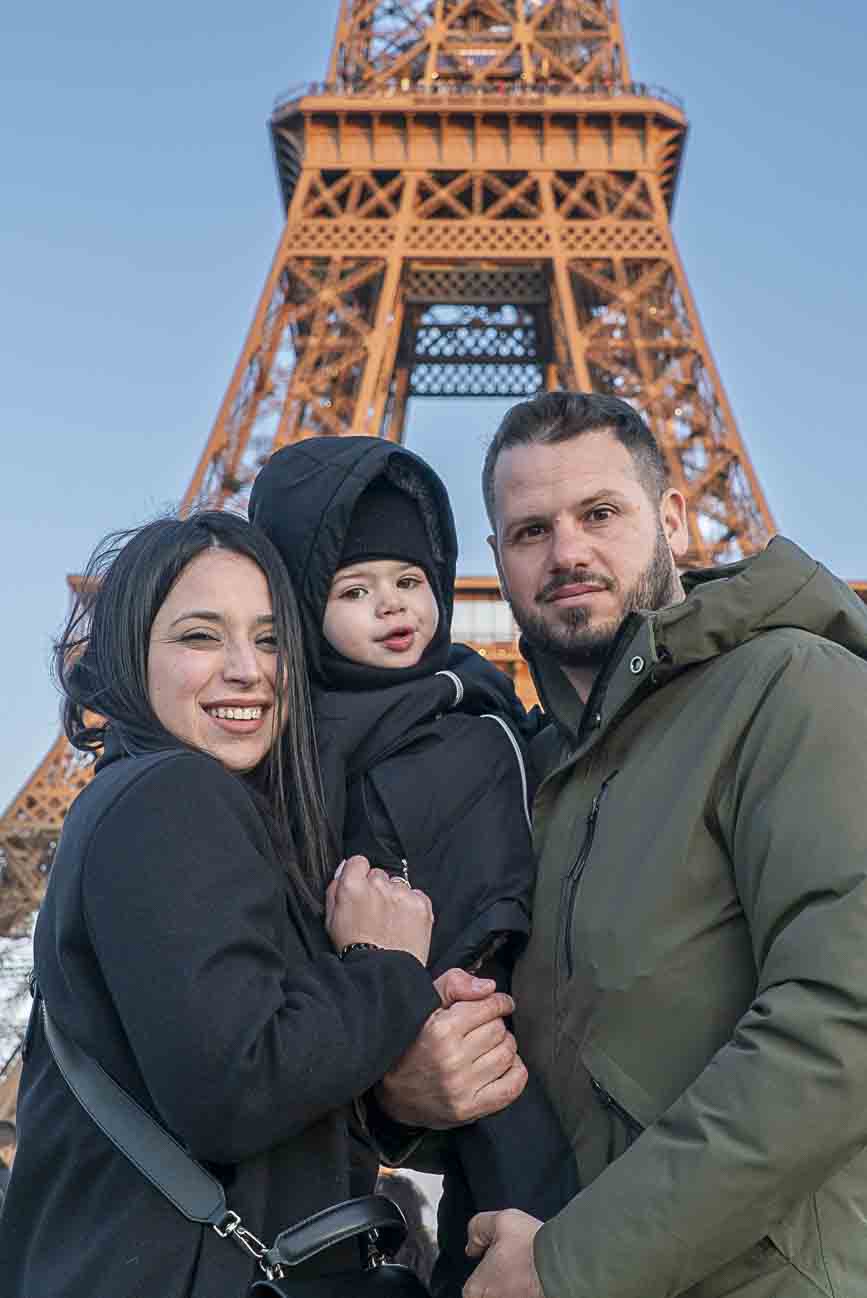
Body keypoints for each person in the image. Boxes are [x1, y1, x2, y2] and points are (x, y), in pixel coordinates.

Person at [380, 391, 867, 1298]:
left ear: (672, 518)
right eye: (529, 532)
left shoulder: (794, 687)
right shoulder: (526, 769)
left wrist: (572, 1262)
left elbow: (843, 1024)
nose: (566, 552)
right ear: (497, 562)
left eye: (599, 513)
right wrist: (409, 1098)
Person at [0, 510, 444, 1298]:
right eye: (201, 637)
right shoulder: (175, 791)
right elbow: (239, 1087)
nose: (248, 669)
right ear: (132, 656)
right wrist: (383, 965)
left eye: (270, 640)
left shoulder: (128, 801)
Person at [249, 437, 577, 1294]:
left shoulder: (480, 693)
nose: (391, 607)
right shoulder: (295, 743)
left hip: (523, 986)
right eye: (353, 592)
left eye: (410, 583)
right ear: (300, 612)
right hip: (418, 998)